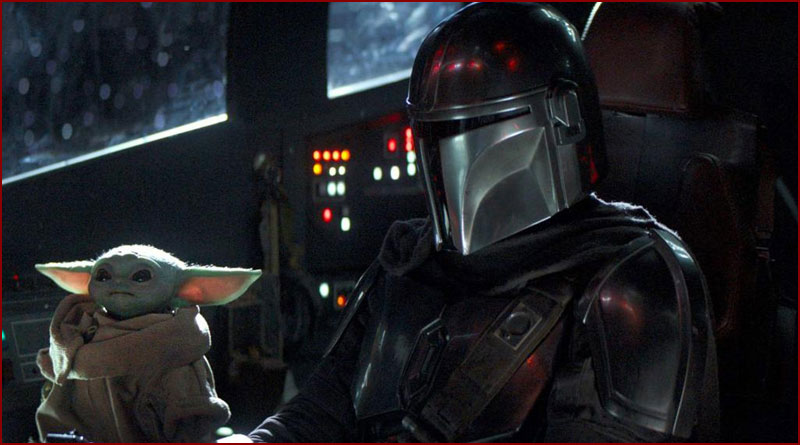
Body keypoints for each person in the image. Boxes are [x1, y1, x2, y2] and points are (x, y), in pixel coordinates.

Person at [238, 3, 719, 442]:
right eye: (435, 134)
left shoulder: (632, 284)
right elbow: (320, 411)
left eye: (470, 128)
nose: (449, 159)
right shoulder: (409, 261)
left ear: (562, 117)